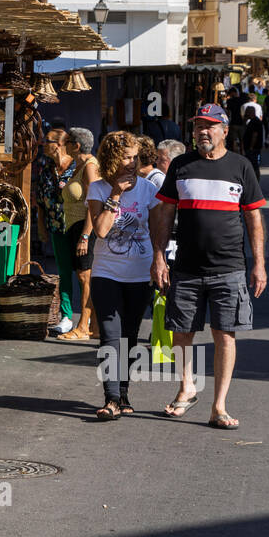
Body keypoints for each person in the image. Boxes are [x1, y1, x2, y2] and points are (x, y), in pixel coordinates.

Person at [150, 103, 267, 430]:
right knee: (181, 332)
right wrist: (159, 256)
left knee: (224, 335)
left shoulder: (240, 167)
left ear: (224, 131)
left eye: (209, 125)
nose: (202, 131)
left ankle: (219, 406)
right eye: (198, 125)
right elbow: (165, 214)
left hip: (229, 268)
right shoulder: (180, 166)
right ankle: (187, 387)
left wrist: (259, 263)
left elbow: (254, 217)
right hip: (186, 266)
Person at [85, 132, 160, 420]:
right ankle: (111, 398)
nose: (131, 162)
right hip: (106, 273)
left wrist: (159, 263)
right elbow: (101, 230)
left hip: (139, 274)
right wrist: (115, 195)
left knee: (130, 337)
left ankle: (124, 392)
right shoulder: (98, 189)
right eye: (126, 157)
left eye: (134, 157)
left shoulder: (148, 191)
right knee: (109, 336)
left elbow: (155, 233)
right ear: (112, 158)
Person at [56, 128, 102, 341]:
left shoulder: (90, 166)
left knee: (86, 278)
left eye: (68, 141)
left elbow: (94, 203)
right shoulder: (79, 165)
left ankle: (84, 326)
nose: (63, 144)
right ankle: (95, 328)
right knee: (83, 277)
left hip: (86, 227)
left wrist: (85, 236)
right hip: (75, 226)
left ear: (76, 145)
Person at [33, 125, 78, 334]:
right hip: (57, 228)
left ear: (59, 145)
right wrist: (42, 227)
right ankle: (66, 315)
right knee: (64, 273)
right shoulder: (46, 170)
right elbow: (40, 202)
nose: (42, 144)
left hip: (77, 227)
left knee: (85, 275)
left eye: (47, 141)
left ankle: (88, 317)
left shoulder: (77, 167)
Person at [242, 104, 265, 177]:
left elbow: (255, 135)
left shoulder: (255, 122)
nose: (245, 113)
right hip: (252, 148)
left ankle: (255, 180)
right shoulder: (253, 121)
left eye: (247, 112)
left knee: (253, 165)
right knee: (253, 165)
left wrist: (251, 147)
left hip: (253, 148)